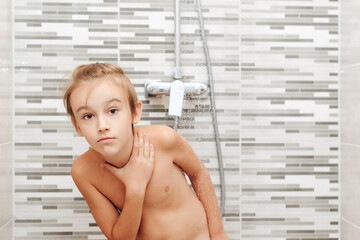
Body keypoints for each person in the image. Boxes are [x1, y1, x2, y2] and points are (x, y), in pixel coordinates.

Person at [63, 62, 228, 240]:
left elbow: (198, 173)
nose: (102, 126)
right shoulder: (85, 171)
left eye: (112, 111)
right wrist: (135, 187)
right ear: (77, 126)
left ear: (135, 112)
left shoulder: (163, 140)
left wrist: (218, 234)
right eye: (88, 116)